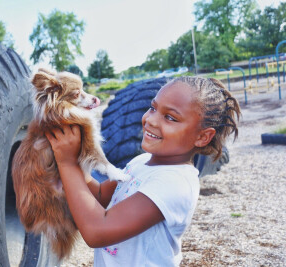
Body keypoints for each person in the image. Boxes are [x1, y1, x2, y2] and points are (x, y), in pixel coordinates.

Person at [45, 76, 241, 266]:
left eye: (170, 117)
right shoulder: (142, 161)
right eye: (152, 108)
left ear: (202, 137)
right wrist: (74, 158)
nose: (151, 120)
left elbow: (97, 231)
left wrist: (68, 163)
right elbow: (100, 196)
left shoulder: (175, 183)